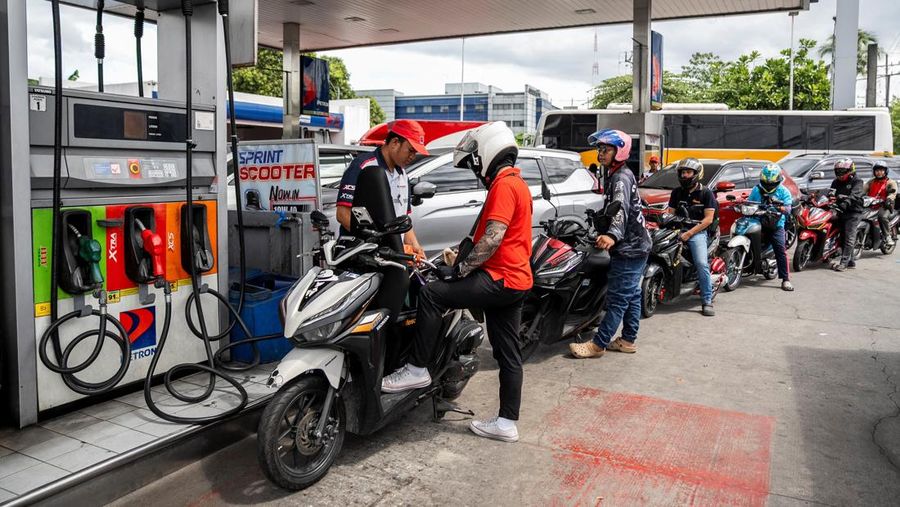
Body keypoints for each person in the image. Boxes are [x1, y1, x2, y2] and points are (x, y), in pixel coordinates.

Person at [381, 121, 533, 444]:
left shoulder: (504, 185)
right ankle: (507, 422)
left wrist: (461, 269)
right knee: (508, 354)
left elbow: (493, 239)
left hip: (498, 278)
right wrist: (460, 261)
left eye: (475, 162)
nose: (476, 170)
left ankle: (417, 368)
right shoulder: (518, 184)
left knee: (434, 294)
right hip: (517, 282)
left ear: (488, 154)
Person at [335, 119, 428, 327]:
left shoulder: (403, 175)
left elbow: (405, 221)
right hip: (363, 254)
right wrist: (383, 244)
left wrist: (416, 247)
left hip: (394, 254)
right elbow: (343, 214)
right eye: (410, 151)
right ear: (394, 142)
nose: (413, 157)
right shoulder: (363, 166)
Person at [569, 129, 651, 359]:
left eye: (606, 149)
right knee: (632, 295)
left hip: (630, 247)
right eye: (600, 149)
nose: (601, 153)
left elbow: (621, 208)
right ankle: (627, 340)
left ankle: (598, 344)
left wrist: (613, 235)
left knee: (617, 299)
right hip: (636, 244)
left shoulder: (620, 177)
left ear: (619, 151)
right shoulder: (616, 173)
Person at [665, 158, 718, 316]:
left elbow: (708, 219)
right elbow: (670, 213)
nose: (685, 175)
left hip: (697, 233)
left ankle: (707, 299)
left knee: (701, 263)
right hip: (678, 231)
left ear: (696, 174)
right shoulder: (677, 192)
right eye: (682, 172)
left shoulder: (705, 193)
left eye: (688, 172)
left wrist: (689, 233)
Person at [747, 163, 794, 291]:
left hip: (776, 225)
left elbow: (788, 209)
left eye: (771, 182)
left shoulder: (784, 191)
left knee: (780, 249)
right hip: (756, 221)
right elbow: (749, 202)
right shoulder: (757, 190)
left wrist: (780, 207)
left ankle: (785, 279)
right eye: (766, 182)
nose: (768, 185)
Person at [829, 158, 865, 271]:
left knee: (849, 237)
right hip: (840, 210)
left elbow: (855, 195)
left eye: (842, 171)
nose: (840, 174)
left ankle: (844, 263)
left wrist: (846, 202)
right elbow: (830, 193)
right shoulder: (836, 182)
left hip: (854, 212)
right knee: (837, 233)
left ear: (850, 170)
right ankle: (850, 261)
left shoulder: (857, 181)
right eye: (838, 171)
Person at [864, 161, 897, 248]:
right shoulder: (871, 182)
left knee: (882, 216)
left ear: (886, 171)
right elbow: (863, 190)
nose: (879, 172)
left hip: (885, 205)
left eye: (881, 170)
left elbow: (893, 193)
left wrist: (889, 198)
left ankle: (887, 236)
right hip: (871, 204)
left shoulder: (890, 182)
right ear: (874, 172)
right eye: (877, 170)